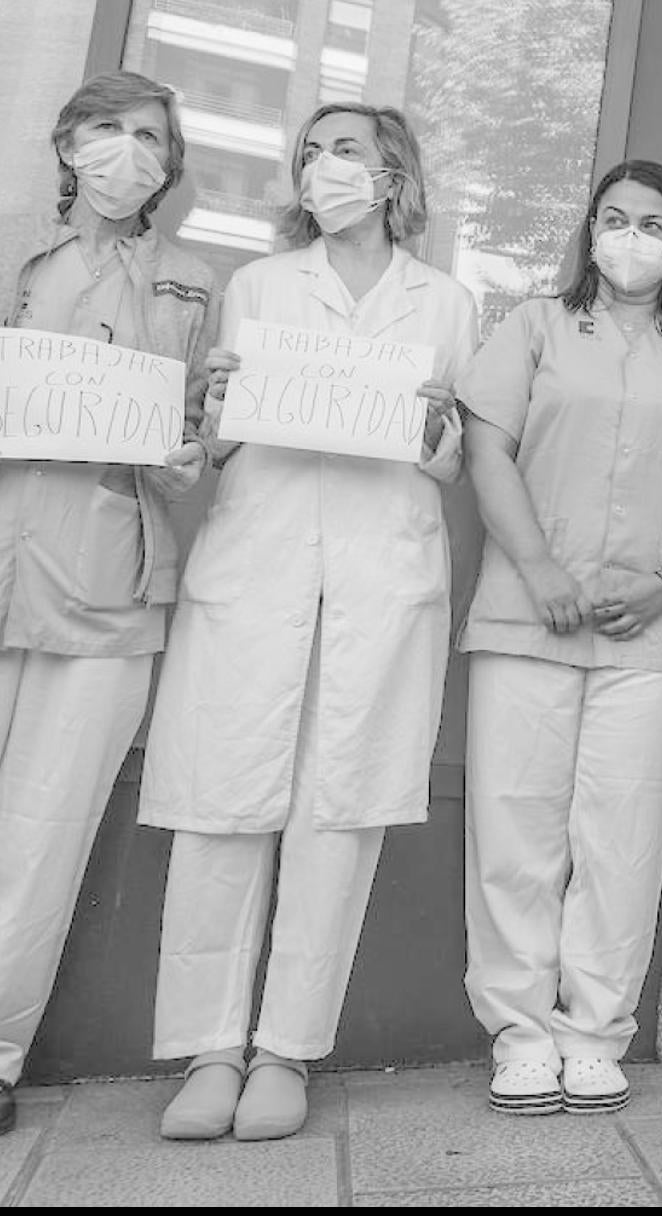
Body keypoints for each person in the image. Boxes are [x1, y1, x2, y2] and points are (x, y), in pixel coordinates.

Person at [141, 103, 477, 1141]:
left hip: (382, 574)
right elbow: (215, 445)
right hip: (260, 564)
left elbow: (456, 450)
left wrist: (434, 428)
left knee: (340, 811)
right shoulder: (257, 287)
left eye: (344, 151)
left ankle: (286, 1046)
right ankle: (207, 1046)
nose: (321, 167)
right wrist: (218, 405)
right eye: (309, 153)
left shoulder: (449, 301)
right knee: (223, 801)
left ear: (391, 175)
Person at [455, 160, 662, 1116]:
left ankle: (593, 1034)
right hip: (525, 614)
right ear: (590, 229)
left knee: (622, 838)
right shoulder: (537, 327)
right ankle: (519, 1032)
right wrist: (539, 567)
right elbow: (484, 445)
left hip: (649, 633)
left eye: (655, 223)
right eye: (617, 218)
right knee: (517, 831)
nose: (634, 237)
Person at [0, 71, 216, 1140]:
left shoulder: (191, 284)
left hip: (108, 582)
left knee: (42, 833)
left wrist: (188, 458)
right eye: (108, 130)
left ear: (170, 167)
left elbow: (200, 427)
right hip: (5, 551)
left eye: (150, 138)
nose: (128, 152)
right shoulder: (12, 252)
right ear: (67, 143)